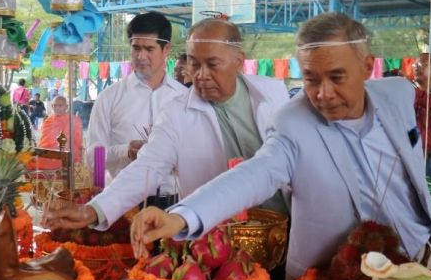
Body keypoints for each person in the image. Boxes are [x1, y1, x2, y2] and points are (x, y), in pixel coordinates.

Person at [129, 13, 431, 280]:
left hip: (419, 264)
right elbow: (252, 175)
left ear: (367, 66)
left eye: (337, 77)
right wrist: (182, 216)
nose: (323, 94)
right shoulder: (293, 123)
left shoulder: (398, 94)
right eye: (311, 79)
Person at [45, 17, 289, 234]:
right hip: (211, 235)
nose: (200, 75)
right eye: (193, 63)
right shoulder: (174, 110)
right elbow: (145, 166)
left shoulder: (274, 93)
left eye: (212, 64)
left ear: (238, 62)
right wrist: (94, 210)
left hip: (283, 225)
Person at [85, 12, 187, 188]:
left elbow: (201, 152)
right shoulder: (109, 98)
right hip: (122, 203)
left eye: (149, 49)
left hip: (174, 202)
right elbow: (93, 158)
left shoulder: (184, 97)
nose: (140, 56)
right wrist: (125, 151)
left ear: (166, 49)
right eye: (136, 48)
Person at [33, 95, 83, 171]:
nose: (57, 108)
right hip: (47, 153)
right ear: (52, 106)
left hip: (64, 154)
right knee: (27, 160)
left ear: (66, 107)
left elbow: (77, 142)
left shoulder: (73, 120)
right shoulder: (48, 120)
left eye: (60, 105)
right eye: (55, 105)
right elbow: (43, 141)